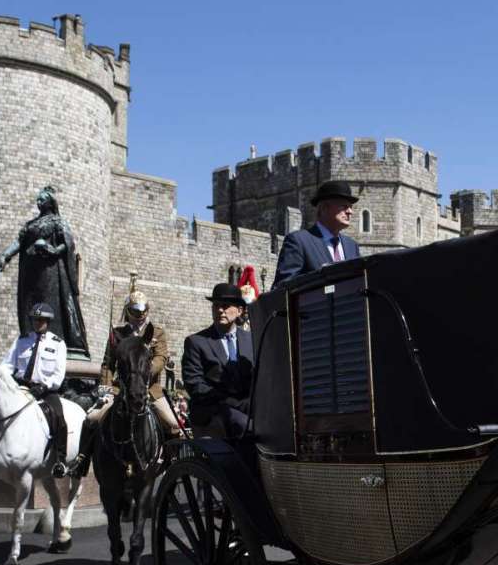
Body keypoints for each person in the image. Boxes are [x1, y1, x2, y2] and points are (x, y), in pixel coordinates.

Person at [71, 290, 180, 475]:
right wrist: (105, 388)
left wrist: (144, 372)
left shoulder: (157, 333)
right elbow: (108, 363)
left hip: (149, 389)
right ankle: (81, 462)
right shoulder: (118, 334)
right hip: (119, 388)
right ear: (128, 311)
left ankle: (171, 464)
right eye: (135, 312)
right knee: (91, 419)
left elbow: (161, 357)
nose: (140, 316)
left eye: (143, 311)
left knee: (173, 424)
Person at [0, 186, 89, 357]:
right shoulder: (31, 224)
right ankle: (31, 340)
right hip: (30, 272)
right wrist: (5, 255)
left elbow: (68, 245)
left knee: (49, 304)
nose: (38, 202)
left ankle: (53, 341)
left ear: (50, 202)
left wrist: (51, 249)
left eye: (42, 199)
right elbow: (19, 242)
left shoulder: (57, 222)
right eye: (37, 200)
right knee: (30, 305)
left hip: (50, 273)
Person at [4, 302, 70, 477]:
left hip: (46, 391)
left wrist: (44, 387)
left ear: (48, 322)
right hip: (20, 387)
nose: (37, 323)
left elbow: (58, 374)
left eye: (41, 320)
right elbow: (8, 365)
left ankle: (60, 460)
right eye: (35, 320)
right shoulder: (22, 340)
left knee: (59, 418)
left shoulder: (57, 344)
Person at [182, 283, 255, 438]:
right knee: (246, 427)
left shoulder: (251, 339)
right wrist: (229, 401)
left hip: (249, 406)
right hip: (213, 410)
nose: (220, 310)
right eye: (216, 306)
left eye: (226, 306)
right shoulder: (196, 342)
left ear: (239, 310)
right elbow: (194, 384)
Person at [272, 180, 362, 288]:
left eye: (350, 207)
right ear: (324, 208)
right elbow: (283, 288)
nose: (349, 211)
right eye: (344, 206)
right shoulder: (299, 241)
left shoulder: (351, 246)